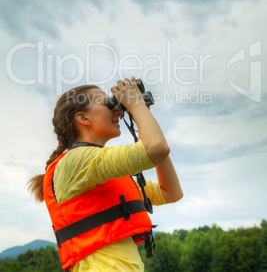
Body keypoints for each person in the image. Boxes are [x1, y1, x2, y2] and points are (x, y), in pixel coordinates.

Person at [28, 76, 183, 271]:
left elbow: (171, 192)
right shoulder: (75, 161)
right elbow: (156, 149)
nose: (117, 109)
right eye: (107, 103)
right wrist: (137, 107)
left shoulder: (103, 174)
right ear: (83, 118)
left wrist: (143, 118)